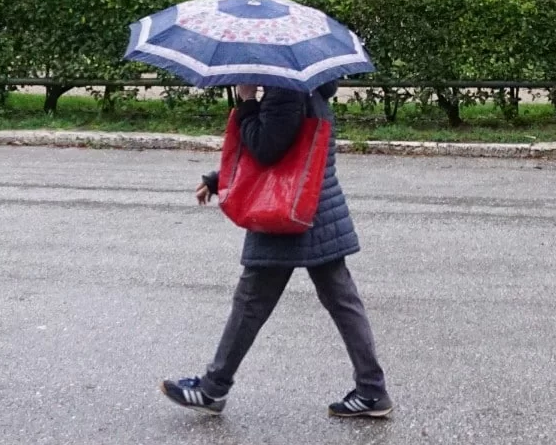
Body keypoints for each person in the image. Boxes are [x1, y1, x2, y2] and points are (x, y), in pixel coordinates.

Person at [160, 81, 392, 419]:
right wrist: (219, 178)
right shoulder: (310, 88)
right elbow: (288, 145)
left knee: (251, 301)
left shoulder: (285, 91)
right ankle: (372, 391)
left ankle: (212, 389)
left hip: (286, 212)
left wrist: (247, 101)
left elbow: (267, 149)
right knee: (342, 301)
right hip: (315, 207)